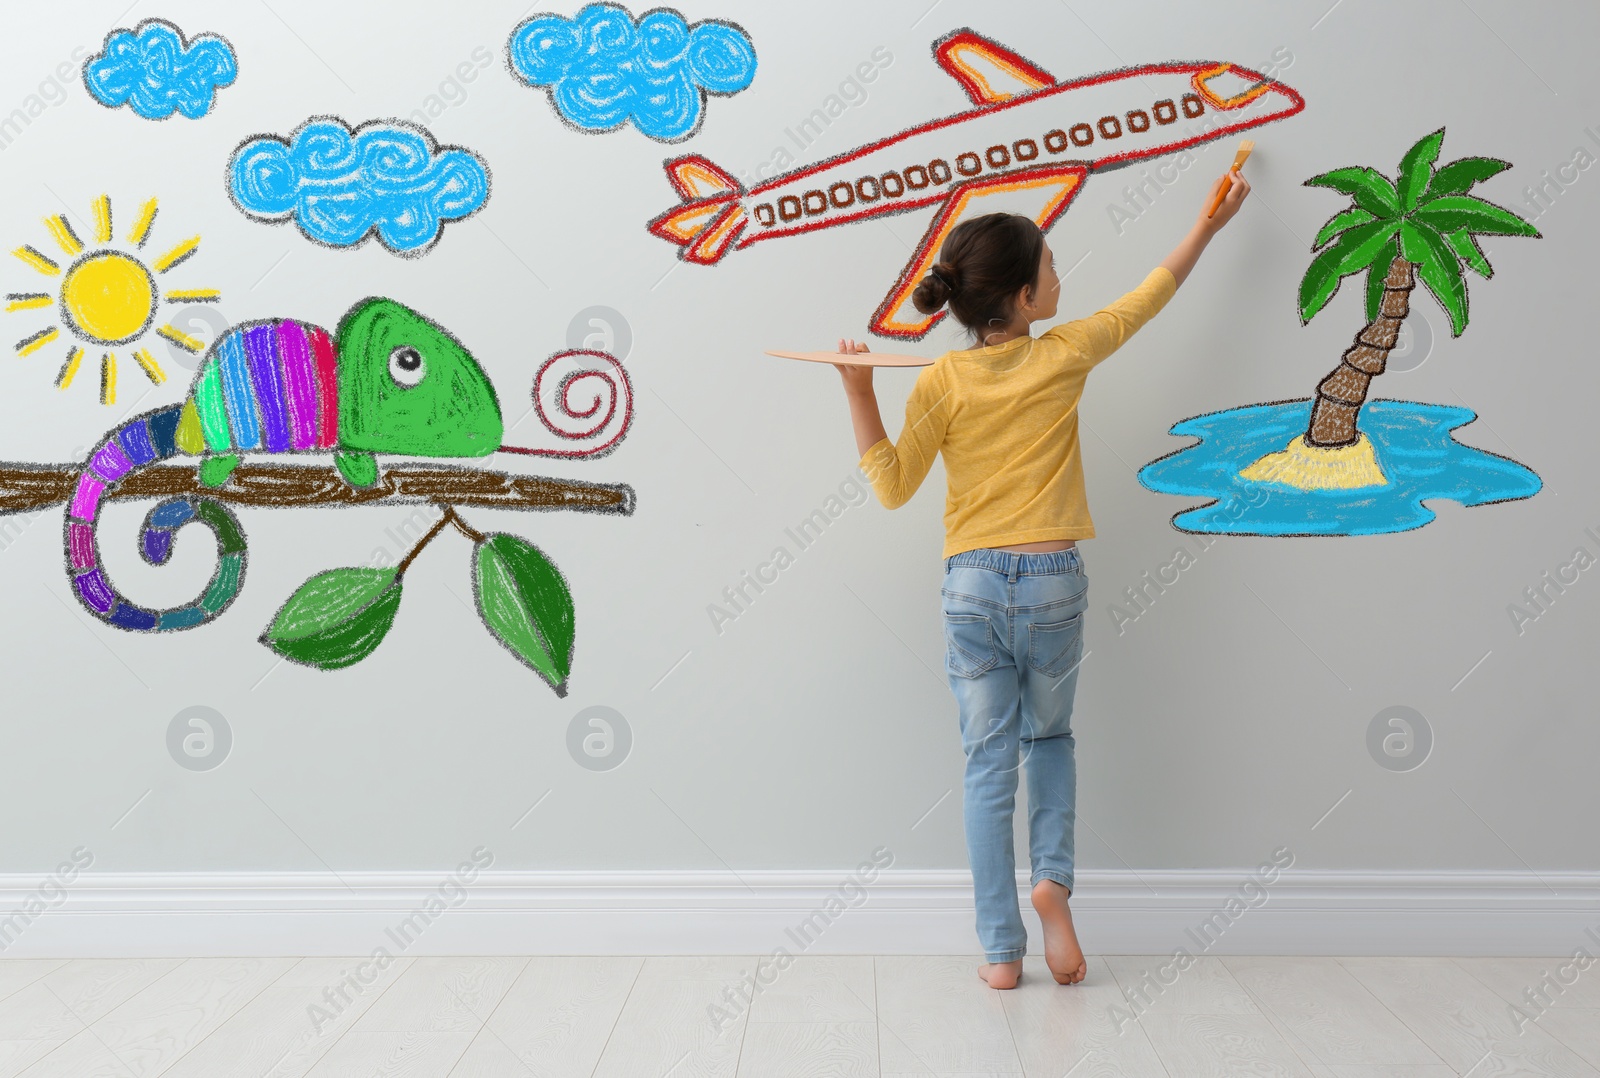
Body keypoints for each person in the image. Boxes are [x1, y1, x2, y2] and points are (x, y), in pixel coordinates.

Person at [834, 169, 1252, 989]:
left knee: (988, 764)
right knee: (1050, 739)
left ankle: (999, 953)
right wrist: (1208, 226)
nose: (1063, 281)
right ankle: (1052, 885)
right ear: (1025, 299)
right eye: (1053, 270)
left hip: (972, 588)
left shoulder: (941, 382)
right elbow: (1150, 296)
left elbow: (890, 486)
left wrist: (858, 391)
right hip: (1055, 578)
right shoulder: (1065, 353)